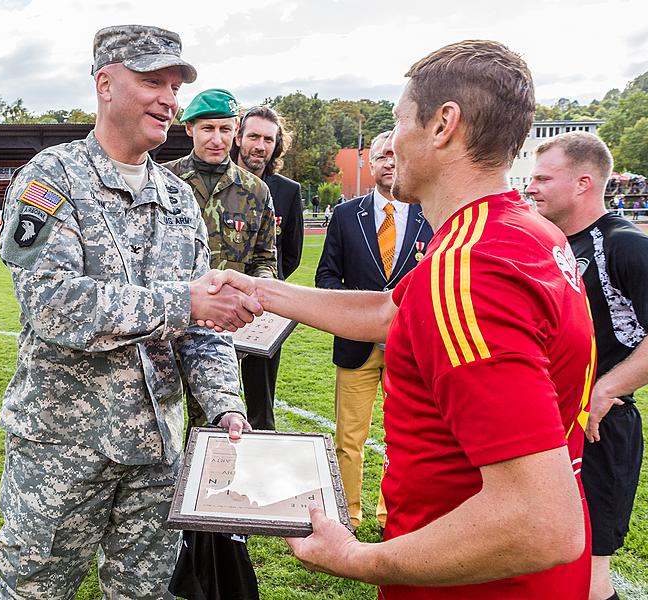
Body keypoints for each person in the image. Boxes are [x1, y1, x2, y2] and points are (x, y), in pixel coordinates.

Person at [202, 39, 592, 598]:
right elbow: (389, 311)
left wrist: (358, 558)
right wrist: (260, 289)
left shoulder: (467, 270)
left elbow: (541, 522)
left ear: (443, 125)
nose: (391, 143)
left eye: (398, 120)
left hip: (476, 582)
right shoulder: (516, 232)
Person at [0, 25, 257, 600]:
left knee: (148, 591)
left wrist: (225, 401)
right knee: (32, 591)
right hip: (64, 449)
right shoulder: (50, 178)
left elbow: (202, 329)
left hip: (156, 450)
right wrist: (182, 302)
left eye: (175, 84)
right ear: (106, 84)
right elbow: (52, 306)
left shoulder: (177, 197)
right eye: (152, 81)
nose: (169, 97)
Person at [526, 131, 648, 600]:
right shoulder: (549, 243)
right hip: (546, 427)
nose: (532, 188)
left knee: (587, 573)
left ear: (584, 182)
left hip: (598, 431)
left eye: (544, 178)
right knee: (538, 562)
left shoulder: (626, 244)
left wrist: (606, 389)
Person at [315, 130, 432, 530]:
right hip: (356, 345)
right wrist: (363, 311)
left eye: (396, 156)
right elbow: (326, 277)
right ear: (370, 163)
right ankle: (347, 515)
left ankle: (391, 516)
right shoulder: (347, 215)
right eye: (382, 156)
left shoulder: (430, 215)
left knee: (404, 440)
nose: (389, 163)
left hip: (409, 348)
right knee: (349, 439)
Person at [163, 88, 277, 431]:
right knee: (158, 423)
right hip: (168, 323)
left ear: (236, 131)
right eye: (207, 128)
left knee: (214, 426)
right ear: (189, 129)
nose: (217, 139)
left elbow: (264, 258)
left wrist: (263, 286)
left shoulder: (255, 191)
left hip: (224, 331)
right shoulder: (161, 182)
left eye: (225, 129)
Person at [230, 104, 304, 430]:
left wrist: (261, 287)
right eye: (254, 136)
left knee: (261, 403)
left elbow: (291, 255)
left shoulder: (287, 191)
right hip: (216, 305)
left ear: (277, 145)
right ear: (239, 137)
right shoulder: (213, 182)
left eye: (269, 140)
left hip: (263, 311)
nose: (260, 146)